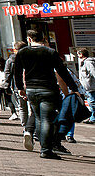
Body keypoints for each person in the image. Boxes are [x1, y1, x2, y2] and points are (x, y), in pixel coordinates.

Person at [13, 29, 81, 159]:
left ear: (29, 39)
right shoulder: (50, 52)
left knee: (38, 118)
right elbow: (62, 72)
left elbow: (17, 71)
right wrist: (73, 88)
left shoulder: (22, 52)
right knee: (47, 119)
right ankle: (46, 149)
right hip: (48, 88)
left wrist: (20, 88)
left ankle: (43, 147)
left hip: (32, 90)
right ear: (43, 38)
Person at [79, 48, 95, 125]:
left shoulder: (88, 62)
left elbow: (93, 72)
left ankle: (93, 118)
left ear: (81, 54)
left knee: (92, 102)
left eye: (79, 54)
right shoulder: (83, 62)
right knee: (90, 102)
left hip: (91, 86)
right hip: (87, 86)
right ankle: (91, 117)